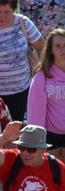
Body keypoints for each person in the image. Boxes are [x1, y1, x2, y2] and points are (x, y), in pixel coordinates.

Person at [28, 29, 65, 162]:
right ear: (50, 50)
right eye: (58, 46)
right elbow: (35, 111)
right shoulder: (41, 77)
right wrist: (36, 140)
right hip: (50, 134)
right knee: (54, 172)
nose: (63, 50)